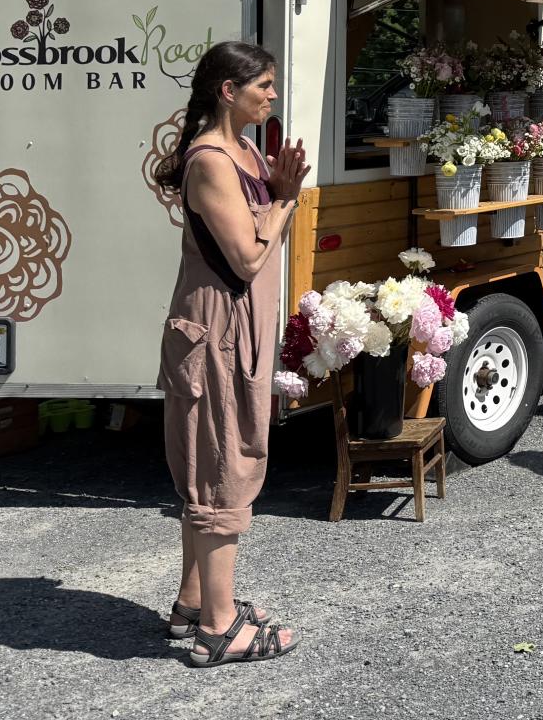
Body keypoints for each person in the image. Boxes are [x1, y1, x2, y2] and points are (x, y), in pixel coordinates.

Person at [151, 40, 309, 667]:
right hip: (215, 333)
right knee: (222, 470)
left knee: (219, 460)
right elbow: (246, 256)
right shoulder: (211, 160)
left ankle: (193, 602)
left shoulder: (243, 150)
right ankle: (219, 628)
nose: (272, 95)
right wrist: (285, 198)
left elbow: (258, 231)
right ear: (227, 90)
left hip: (233, 332)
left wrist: (275, 187)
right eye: (263, 85)